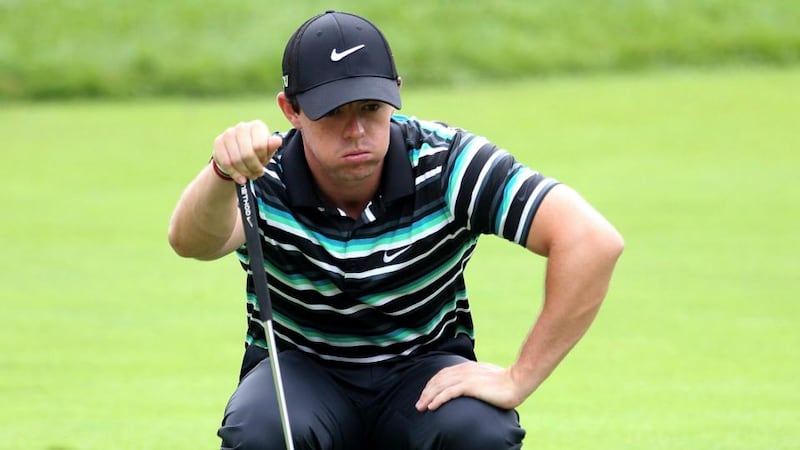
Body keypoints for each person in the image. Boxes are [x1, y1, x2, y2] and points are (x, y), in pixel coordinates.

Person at [168, 10, 623, 450]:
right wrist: (222, 174)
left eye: (371, 107)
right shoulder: (261, 173)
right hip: (301, 372)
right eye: (332, 112)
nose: (357, 130)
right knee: (262, 428)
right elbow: (191, 243)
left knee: (480, 429)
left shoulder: (447, 164)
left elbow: (591, 241)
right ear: (292, 110)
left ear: (395, 93)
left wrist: (518, 378)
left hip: (421, 372)